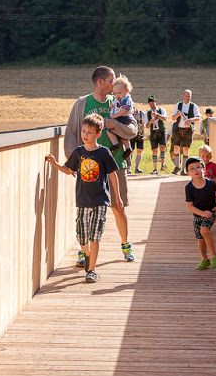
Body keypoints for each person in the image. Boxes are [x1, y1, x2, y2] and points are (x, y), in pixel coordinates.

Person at [65, 66, 136, 266]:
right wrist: (72, 159)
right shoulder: (82, 104)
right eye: (111, 80)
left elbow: (133, 129)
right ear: (100, 82)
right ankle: (83, 251)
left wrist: (116, 126)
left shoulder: (120, 100)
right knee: (85, 210)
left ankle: (125, 245)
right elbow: (71, 132)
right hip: (88, 165)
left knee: (118, 207)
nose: (115, 84)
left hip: (116, 163)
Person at [46, 114, 120, 283]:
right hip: (82, 200)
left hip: (100, 200)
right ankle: (86, 254)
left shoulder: (103, 152)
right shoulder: (78, 152)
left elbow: (112, 175)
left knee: (95, 235)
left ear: (98, 134)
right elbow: (68, 170)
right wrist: (54, 163)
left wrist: (118, 196)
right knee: (82, 235)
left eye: (90, 132)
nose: (85, 134)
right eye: (84, 131)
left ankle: (92, 270)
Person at [184, 156, 216, 270]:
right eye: (192, 169)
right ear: (188, 173)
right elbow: (190, 206)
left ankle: (214, 256)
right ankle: (204, 259)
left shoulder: (211, 184)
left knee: (204, 230)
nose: (196, 170)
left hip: (211, 212)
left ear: (204, 169)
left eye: (198, 167)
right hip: (198, 214)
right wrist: (202, 213)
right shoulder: (189, 188)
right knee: (200, 238)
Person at [170, 90, 201, 175]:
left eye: (189, 96)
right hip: (178, 129)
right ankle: (177, 166)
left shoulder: (193, 106)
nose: (188, 97)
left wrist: (190, 120)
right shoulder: (178, 105)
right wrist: (178, 115)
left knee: (186, 149)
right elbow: (173, 118)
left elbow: (198, 117)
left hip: (188, 130)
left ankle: (183, 169)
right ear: (183, 95)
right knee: (176, 147)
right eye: (186, 96)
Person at [106, 75, 135, 159]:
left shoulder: (126, 100)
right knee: (122, 134)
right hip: (121, 118)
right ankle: (128, 148)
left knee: (109, 130)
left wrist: (115, 115)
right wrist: (112, 105)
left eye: (120, 92)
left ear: (127, 91)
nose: (117, 95)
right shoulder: (118, 99)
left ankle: (115, 144)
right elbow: (115, 103)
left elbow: (125, 111)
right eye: (115, 93)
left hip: (124, 118)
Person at [145, 95, 168, 174]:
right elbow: (147, 126)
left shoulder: (161, 110)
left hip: (161, 131)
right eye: (150, 103)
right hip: (153, 133)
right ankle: (155, 169)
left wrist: (157, 115)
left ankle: (163, 164)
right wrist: (150, 122)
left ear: (155, 102)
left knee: (162, 147)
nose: (152, 104)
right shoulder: (147, 114)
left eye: (153, 103)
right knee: (154, 150)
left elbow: (165, 118)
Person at [130, 105, 147, 173]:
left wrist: (144, 125)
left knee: (139, 151)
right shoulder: (129, 114)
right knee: (131, 152)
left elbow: (145, 122)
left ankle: (137, 168)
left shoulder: (141, 113)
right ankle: (129, 168)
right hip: (132, 135)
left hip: (140, 134)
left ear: (134, 108)